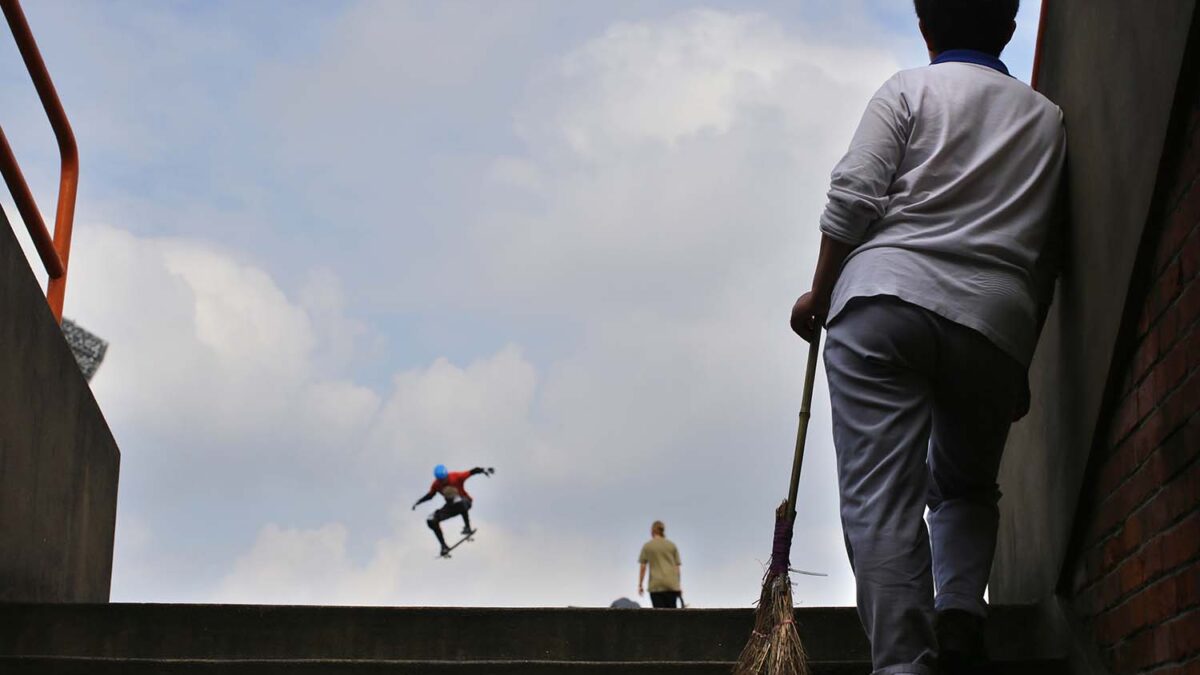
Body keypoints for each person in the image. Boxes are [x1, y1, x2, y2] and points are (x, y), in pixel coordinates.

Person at [789, 2, 1065, 674]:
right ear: (1007, 26)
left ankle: (908, 663)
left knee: (882, 498)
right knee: (967, 485)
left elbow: (854, 197)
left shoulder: (908, 90)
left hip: (885, 301)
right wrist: (1018, 354)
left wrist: (819, 295)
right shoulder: (1046, 119)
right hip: (994, 322)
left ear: (924, 27)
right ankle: (962, 612)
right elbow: (1046, 252)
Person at [412, 464, 494, 556]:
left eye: (445, 478)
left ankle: (467, 527)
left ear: (447, 475)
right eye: (442, 480)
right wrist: (418, 502)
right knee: (431, 520)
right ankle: (443, 546)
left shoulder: (456, 476)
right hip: (450, 507)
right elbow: (430, 495)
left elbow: (472, 471)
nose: (444, 481)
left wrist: (484, 470)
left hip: (465, 501)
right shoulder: (436, 484)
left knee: (458, 501)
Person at [637, 521, 683, 609]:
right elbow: (677, 568)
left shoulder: (648, 546)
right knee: (672, 615)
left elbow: (643, 567)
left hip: (656, 586)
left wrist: (640, 584)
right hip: (671, 585)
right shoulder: (672, 546)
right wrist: (678, 585)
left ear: (652, 531)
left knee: (659, 615)